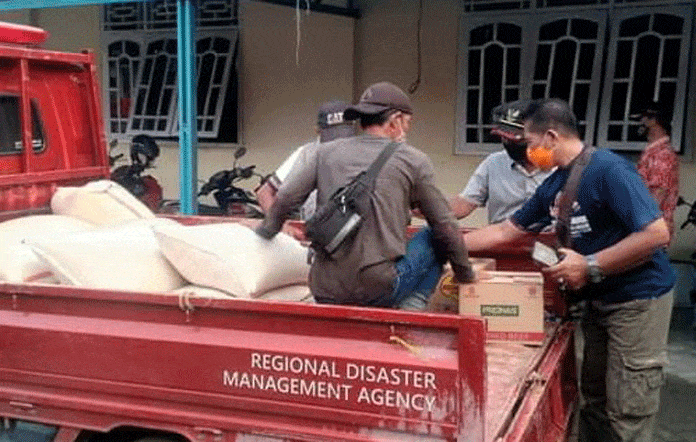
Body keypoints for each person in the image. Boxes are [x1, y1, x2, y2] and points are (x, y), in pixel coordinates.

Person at [464, 98, 675, 442]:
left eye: (530, 144)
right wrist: (447, 243)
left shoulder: (609, 170)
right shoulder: (556, 182)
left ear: (550, 137)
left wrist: (591, 264)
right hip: (598, 298)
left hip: (637, 300)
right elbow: (507, 230)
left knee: (628, 408)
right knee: (594, 398)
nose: (529, 153)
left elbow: (656, 234)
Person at [256, 81, 474, 309]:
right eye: (407, 123)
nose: (407, 129)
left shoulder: (323, 152)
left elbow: (286, 197)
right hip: (379, 290)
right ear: (395, 120)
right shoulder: (413, 160)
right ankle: (412, 309)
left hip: (324, 289)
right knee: (432, 236)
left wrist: (267, 232)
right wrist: (466, 276)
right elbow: (445, 225)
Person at [450, 101, 554, 224]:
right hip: (503, 239)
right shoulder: (494, 163)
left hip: (548, 241)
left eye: (516, 139)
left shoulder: (562, 167)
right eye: (504, 138)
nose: (508, 143)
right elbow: (464, 204)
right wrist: (427, 206)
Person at [255, 100, 357, 219]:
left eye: (343, 135)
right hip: (313, 229)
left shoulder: (363, 152)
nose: (337, 143)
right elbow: (264, 193)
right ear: (317, 131)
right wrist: (282, 226)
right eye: (333, 136)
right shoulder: (307, 153)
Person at [631, 101, 680, 240]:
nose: (640, 124)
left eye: (642, 119)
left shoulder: (662, 154)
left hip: (651, 232)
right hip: (648, 229)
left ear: (653, 120)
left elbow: (658, 194)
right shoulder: (652, 152)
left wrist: (640, 224)